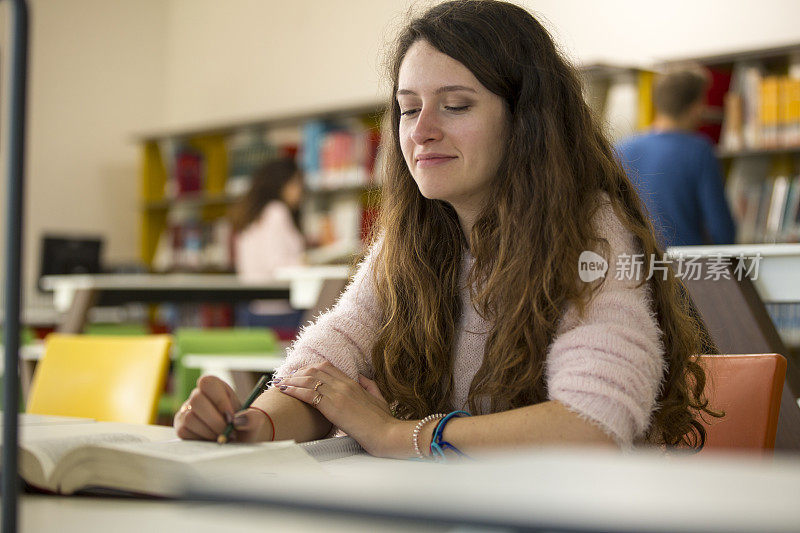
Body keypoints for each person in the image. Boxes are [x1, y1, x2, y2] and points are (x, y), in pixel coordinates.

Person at [175, 0, 719, 457]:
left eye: (455, 105)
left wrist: (399, 434)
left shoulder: (587, 231)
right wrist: (252, 426)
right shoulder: (414, 238)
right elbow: (323, 366)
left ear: (527, 120)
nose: (422, 132)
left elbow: (593, 426)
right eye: (408, 111)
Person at [616, 65, 736, 248]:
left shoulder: (621, 149)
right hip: (687, 268)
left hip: (639, 265)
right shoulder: (699, 151)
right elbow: (722, 230)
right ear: (696, 107)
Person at [230, 157, 306, 330]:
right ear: (280, 184)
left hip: (252, 309)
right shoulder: (276, 212)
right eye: (295, 183)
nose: (299, 190)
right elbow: (277, 264)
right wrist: (305, 264)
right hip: (279, 310)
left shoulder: (252, 215)